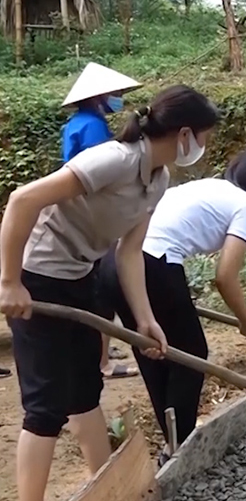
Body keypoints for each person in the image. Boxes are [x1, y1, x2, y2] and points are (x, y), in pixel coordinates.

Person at [0, 85, 218, 501]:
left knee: (86, 390)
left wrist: (145, 319)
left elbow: (130, 253)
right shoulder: (113, 160)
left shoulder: (157, 179)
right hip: (38, 276)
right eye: (204, 136)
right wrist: (10, 281)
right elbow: (23, 200)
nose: (204, 146)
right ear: (183, 134)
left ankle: (107, 487)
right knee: (45, 405)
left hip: (81, 275)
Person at [98, 148, 246, 460]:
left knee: (154, 350)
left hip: (113, 263)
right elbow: (225, 277)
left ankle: (172, 445)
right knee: (191, 353)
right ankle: (181, 447)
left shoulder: (213, 188)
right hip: (151, 263)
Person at [60, 62, 144, 382]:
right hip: (92, 211)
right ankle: (102, 362)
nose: (119, 99)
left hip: (78, 207)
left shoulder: (77, 123)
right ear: (100, 97)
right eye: (116, 94)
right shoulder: (93, 127)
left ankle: (100, 350)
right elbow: (103, 171)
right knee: (99, 290)